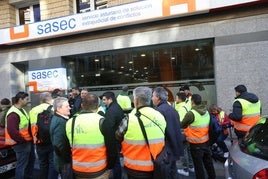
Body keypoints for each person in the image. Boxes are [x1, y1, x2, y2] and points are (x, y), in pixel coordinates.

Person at [115, 86, 166, 179]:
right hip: (157, 164)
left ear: (136, 100)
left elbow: (118, 136)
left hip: (134, 168)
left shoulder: (129, 119)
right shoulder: (160, 116)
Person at [66, 93, 112, 178]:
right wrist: (110, 166)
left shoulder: (70, 122)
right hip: (99, 169)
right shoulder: (102, 121)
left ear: (82, 105)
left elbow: (65, 147)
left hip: (78, 169)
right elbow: (111, 147)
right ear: (98, 106)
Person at [151, 86, 184, 177]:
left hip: (165, 150)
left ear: (158, 97)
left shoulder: (158, 111)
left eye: (153, 96)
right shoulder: (173, 110)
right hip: (174, 147)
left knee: (166, 174)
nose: (152, 98)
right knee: (173, 172)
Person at [181, 94, 216, 179]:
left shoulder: (191, 113)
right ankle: (212, 177)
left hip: (195, 144)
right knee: (208, 163)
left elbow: (182, 124)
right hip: (206, 142)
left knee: (198, 166)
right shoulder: (206, 110)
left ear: (192, 102)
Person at [5, 92, 35, 179]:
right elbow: (12, 131)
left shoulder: (21, 109)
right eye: (26, 99)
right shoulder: (13, 113)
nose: (28, 101)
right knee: (22, 166)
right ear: (20, 99)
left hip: (26, 142)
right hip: (21, 144)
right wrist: (23, 140)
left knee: (29, 163)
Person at [29, 92, 58, 179]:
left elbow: (30, 126)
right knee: (52, 163)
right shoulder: (54, 109)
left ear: (41, 100)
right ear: (50, 99)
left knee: (42, 163)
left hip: (38, 141)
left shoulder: (33, 110)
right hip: (51, 140)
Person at [101, 91, 125, 179]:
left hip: (113, 141)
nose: (103, 102)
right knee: (117, 161)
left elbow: (109, 129)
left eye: (104, 100)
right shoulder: (116, 107)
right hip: (117, 139)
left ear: (110, 99)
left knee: (115, 163)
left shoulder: (111, 111)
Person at [50, 97, 72, 178]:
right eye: (67, 106)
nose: (69, 108)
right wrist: (67, 159)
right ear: (58, 108)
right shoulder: (60, 122)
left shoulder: (60, 119)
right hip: (63, 163)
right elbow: (59, 146)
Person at [174, 92, 194, 176]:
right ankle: (191, 166)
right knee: (188, 149)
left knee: (184, 150)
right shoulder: (186, 105)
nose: (175, 99)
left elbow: (180, 122)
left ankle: (186, 170)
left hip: (183, 131)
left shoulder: (181, 108)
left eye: (176, 98)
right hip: (188, 131)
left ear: (179, 99)